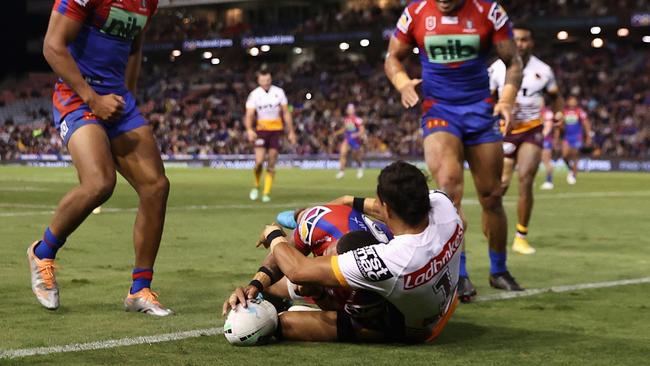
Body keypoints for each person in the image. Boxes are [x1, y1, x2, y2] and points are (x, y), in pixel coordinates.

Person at [28, 0, 172, 316]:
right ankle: (43, 253)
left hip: (117, 100)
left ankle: (140, 289)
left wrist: (126, 94)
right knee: (99, 183)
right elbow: (52, 46)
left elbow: (135, 44)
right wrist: (94, 98)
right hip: (77, 98)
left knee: (156, 187)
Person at [224, 161, 463, 343]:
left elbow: (298, 270)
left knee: (281, 323)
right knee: (272, 287)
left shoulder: (391, 260)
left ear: (387, 208)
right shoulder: (444, 206)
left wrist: (274, 235)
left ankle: (322, 300)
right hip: (439, 303)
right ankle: (289, 292)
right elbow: (382, 208)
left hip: (407, 327)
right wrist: (255, 284)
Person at [384, 0, 524, 301]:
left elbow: (513, 61)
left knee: (491, 196)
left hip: (481, 111)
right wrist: (402, 82)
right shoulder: (416, 13)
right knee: (448, 190)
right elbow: (393, 56)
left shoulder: (489, 12)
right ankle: (457, 276)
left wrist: (507, 100)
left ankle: (498, 270)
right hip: (440, 110)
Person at [489, 25, 564, 255]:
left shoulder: (543, 70)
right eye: (517, 39)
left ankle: (521, 236)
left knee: (526, 177)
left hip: (532, 129)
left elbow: (555, 97)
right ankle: (494, 228)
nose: (520, 44)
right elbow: (488, 98)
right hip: (505, 130)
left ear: (531, 43)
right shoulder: (496, 68)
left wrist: (559, 113)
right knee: (500, 185)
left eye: (524, 40)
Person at [244, 70, 297, 203]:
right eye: (263, 80)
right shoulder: (254, 95)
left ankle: (266, 192)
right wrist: (249, 129)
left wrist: (291, 131)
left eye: (268, 80)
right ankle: (256, 186)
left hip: (276, 131)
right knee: (259, 162)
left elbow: (286, 113)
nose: (266, 83)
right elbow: (249, 114)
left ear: (271, 79)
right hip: (261, 131)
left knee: (272, 162)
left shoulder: (279, 92)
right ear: (259, 81)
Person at [562, 96, 592, 185]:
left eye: (574, 101)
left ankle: (574, 175)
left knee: (575, 156)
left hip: (577, 137)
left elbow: (586, 123)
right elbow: (560, 124)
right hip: (567, 137)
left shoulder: (579, 111)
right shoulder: (564, 112)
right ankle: (570, 169)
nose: (572, 102)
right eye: (571, 100)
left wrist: (588, 136)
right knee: (564, 155)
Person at [335, 103, 366, 180]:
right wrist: (336, 133)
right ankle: (341, 172)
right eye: (348, 109)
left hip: (355, 140)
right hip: (348, 138)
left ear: (354, 110)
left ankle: (360, 168)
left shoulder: (358, 120)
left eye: (351, 109)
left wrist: (356, 134)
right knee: (342, 153)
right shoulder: (346, 119)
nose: (349, 110)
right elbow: (345, 129)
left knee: (355, 156)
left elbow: (362, 131)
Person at [540, 106, 558, 190]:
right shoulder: (534, 111)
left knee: (546, 160)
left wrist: (541, 136)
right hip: (536, 139)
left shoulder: (547, 112)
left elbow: (549, 126)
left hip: (545, 140)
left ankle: (549, 181)